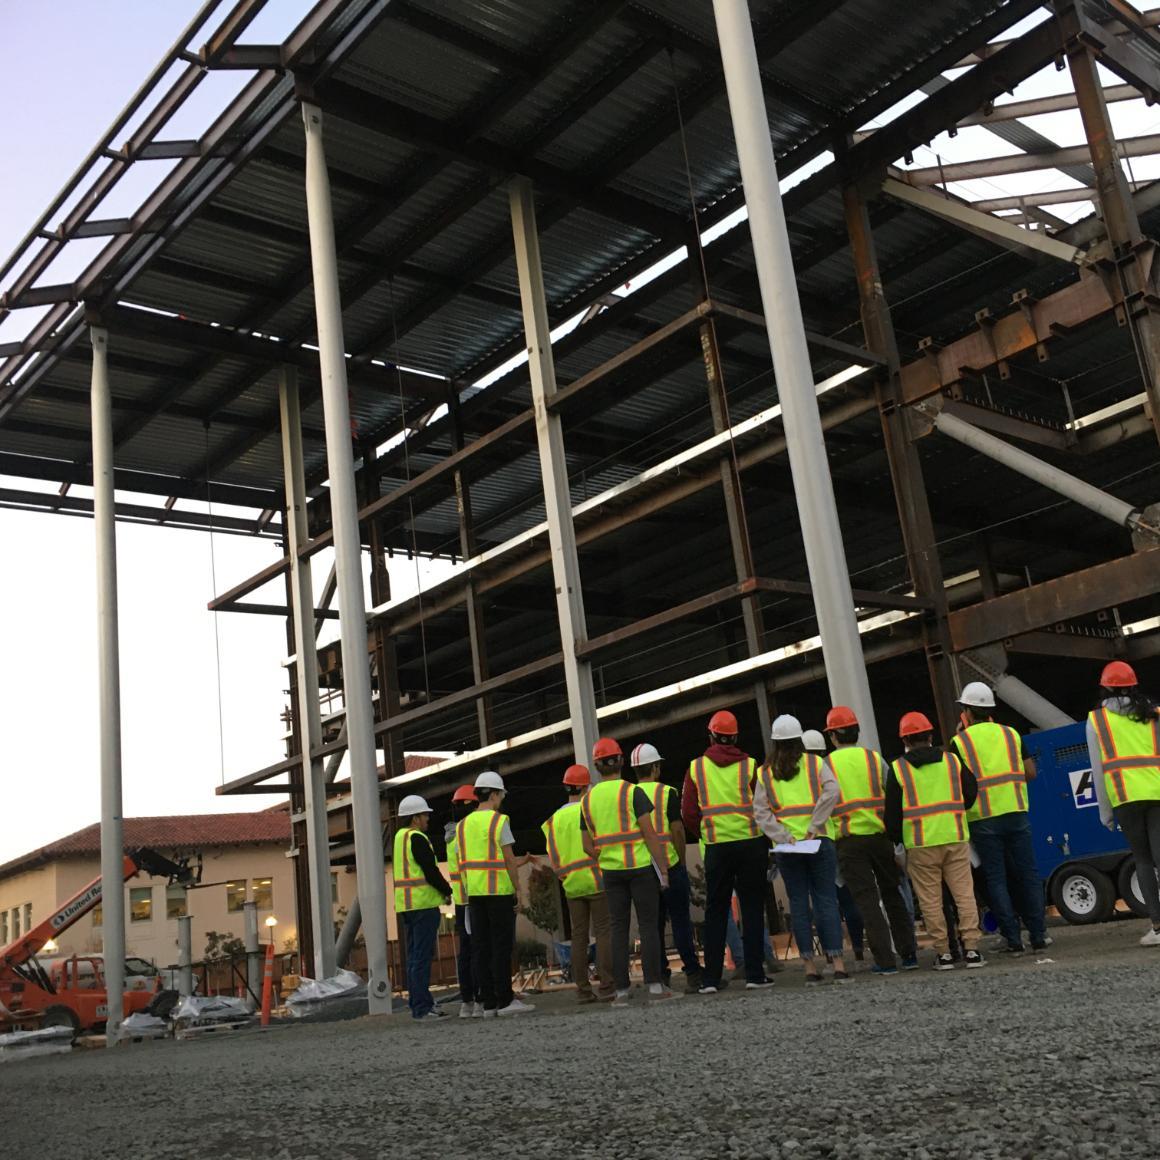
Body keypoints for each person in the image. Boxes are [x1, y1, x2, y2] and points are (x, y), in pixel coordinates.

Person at [949, 681, 1048, 956]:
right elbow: (1031, 773)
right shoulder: (1011, 735)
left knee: (996, 879)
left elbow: (957, 785)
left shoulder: (960, 743)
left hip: (982, 819)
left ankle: (1013, 940)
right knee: (1028, 875)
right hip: (1016, 813)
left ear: (967, 712)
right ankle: (1039, 936)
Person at [682, 710, 774, 994]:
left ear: (711, 736)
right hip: (750, 844)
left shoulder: (696, 768)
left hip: (717, 848)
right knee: (752, 907)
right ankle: (755, 974)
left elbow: (688, 813)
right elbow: (763, 805)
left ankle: (710, 979)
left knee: (716, 910)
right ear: (735, 737)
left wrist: (706, 833)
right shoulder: (750, 766)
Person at [754, 715, 849, 984]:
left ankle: (809, 967)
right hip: (818, 841)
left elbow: (761, 813)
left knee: (798, 902)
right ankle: (838, 963)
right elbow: (832, 792)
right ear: (799, 739)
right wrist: (815, 825)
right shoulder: (815, 764)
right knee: (826, 899)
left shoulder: (765, 773)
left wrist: (784, 836)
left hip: (787, 848)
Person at [824, 705, 919, 975]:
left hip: (849, 842)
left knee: (866, 900)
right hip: (880, 837)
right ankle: (909, 954)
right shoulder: (874, 759)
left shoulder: (827, 765)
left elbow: (824, 804)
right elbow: (893, 796)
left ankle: (885, 961)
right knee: (893, 894)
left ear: (832, 736)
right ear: (857, 732)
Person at [886, 712, 984, 971]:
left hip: (919, 844)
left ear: (905, 739)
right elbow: (971, 791)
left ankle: (944, 954)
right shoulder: (952, 761)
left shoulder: (898, 769)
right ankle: (972, 950)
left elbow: (892, 814)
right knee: (964, 895)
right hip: (954, 836)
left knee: (930, 901)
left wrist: (897, 840)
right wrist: (957, 811)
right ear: (931, 735)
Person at [581, 738, 675, 1005]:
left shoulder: (588, 800)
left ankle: (621, 991)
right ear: (621, 762)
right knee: (648, 926)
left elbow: (586, 844)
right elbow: (650, 834)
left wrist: (604, 854)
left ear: (597, 765)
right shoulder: (633, 793)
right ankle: (655, 987)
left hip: (611, 873)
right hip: (641, 869)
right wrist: (664, 872)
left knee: (618, 929)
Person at [1086, 661, 1160, 946]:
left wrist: (1104, 811)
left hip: (1125, 798)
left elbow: (1098, 769)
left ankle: (1157, 926)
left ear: (1105, 687)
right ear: (1134, 685)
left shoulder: (1097, 721)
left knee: (1142, 860)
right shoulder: (1152, 714)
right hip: (1156, 793)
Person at [457, 771, 535, 1017]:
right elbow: (509, 861)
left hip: (475, 895)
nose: (502, 798)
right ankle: (505, 1000)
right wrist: (520, 892)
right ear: (492, 794)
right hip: (499, 893)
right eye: (500, 794)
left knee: (481, 948)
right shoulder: (499, 821)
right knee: (501, 948)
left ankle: (488, 1004)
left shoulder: (463, 825)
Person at [631, 741, 703, 993]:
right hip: (671, 865)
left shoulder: (630, 795)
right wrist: (681, 861)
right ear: (655, 768)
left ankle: (660, 976)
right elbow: (677, 830)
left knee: (653, 927)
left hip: (644, 870)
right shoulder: (667, 793)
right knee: (682, 922)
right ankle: (693, 973)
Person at [542, 764, 615, 1004]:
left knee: (579, 937)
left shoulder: (554, 820)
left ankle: (582, 990)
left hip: (572, 885)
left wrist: (565, 875)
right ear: (585, 787)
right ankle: (607, 987)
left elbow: (553, 856)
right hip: (597, 879)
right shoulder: (589, 810)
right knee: (603, 932)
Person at [393, 794, 453, 1021]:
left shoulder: (400, 837)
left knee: (414, 957)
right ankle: (422, 1007)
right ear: (415, 817)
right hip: (423, 905)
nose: (428, 818)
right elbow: (430, 870)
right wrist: (447, 891)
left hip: (407, 906)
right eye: (425, 814)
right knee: (421, 957)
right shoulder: (417, 838)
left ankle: (419, 1004)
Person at [445, 783, 481, 1018]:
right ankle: (479, 999)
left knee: (466, 952)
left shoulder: (450, 836)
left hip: (461, 901)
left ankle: (467, 1001)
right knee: (478, 950)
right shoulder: (467, 833)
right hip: (475, 898)